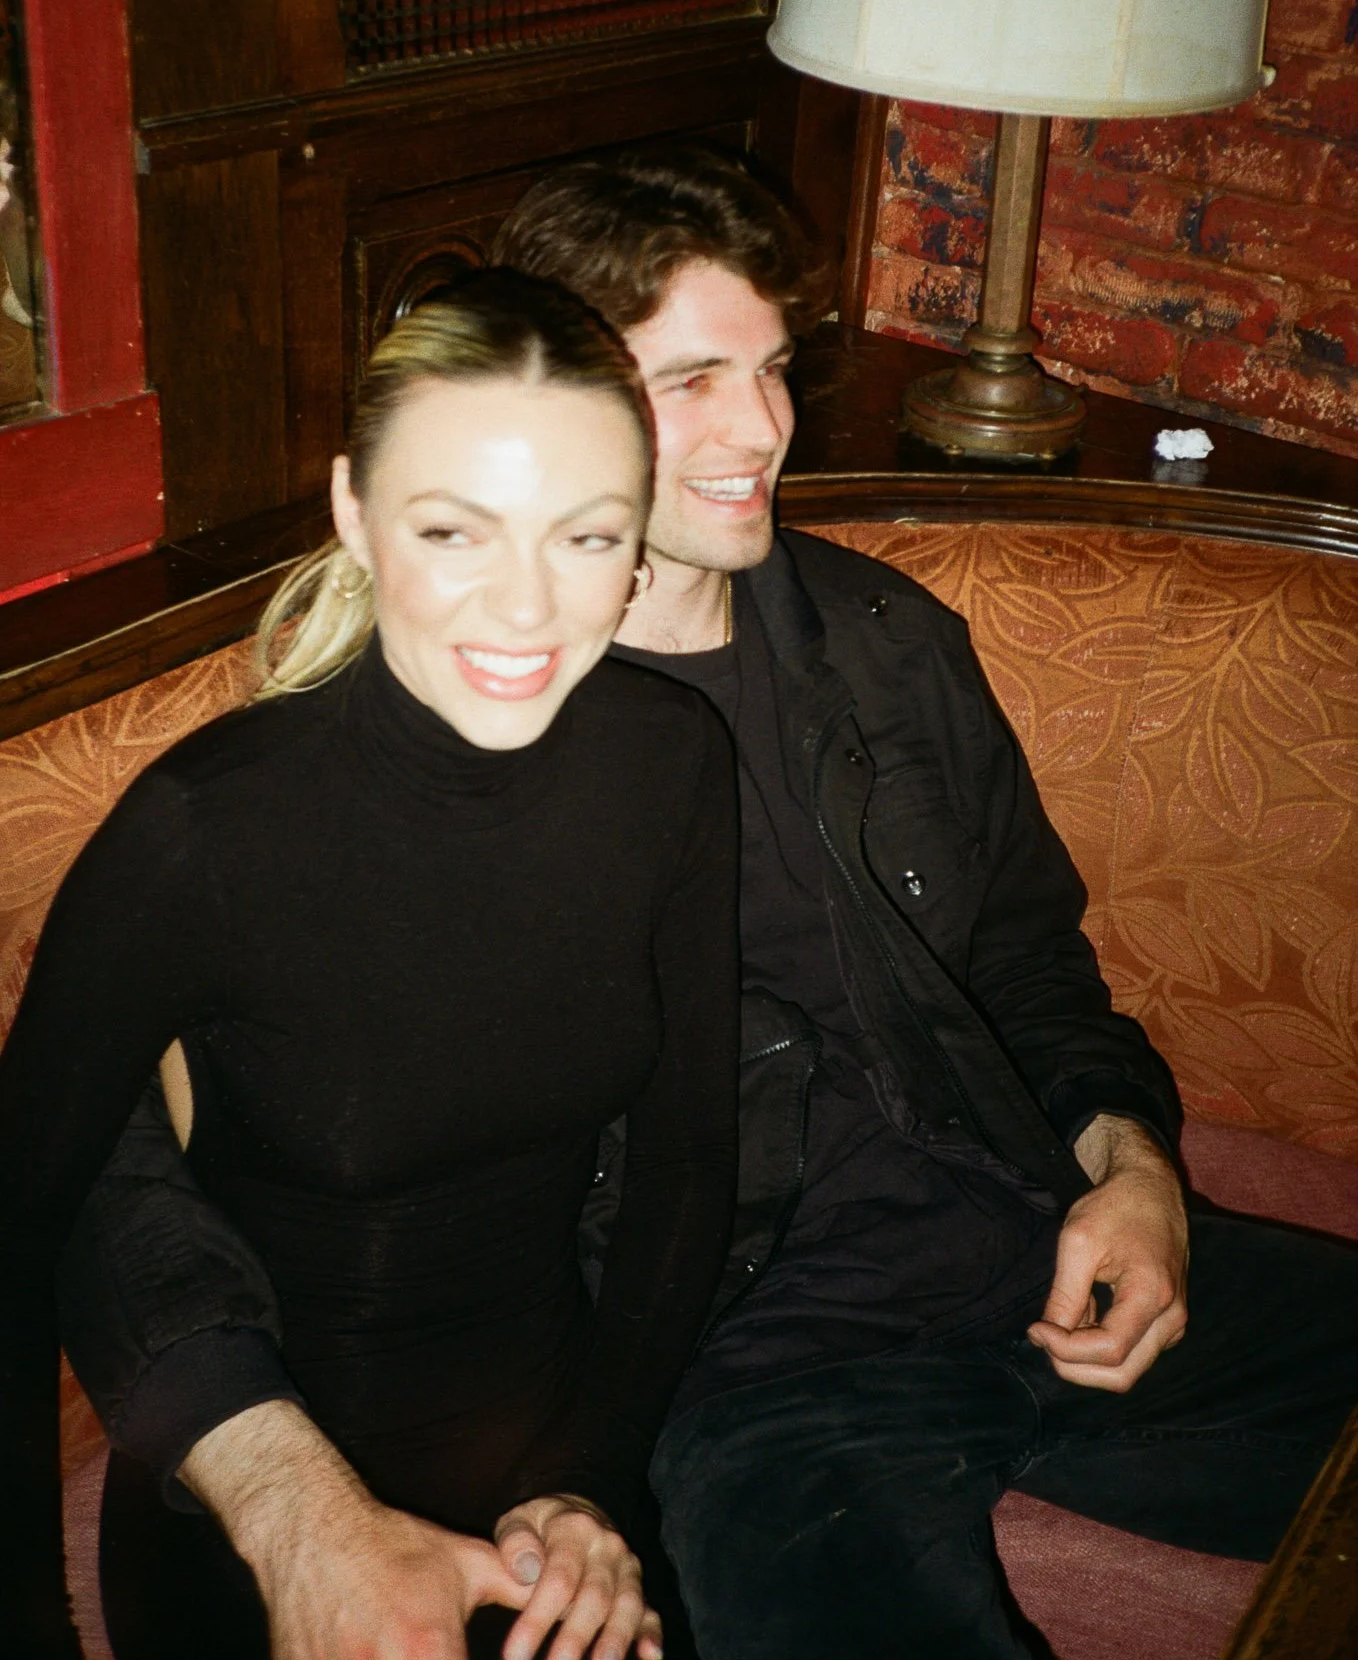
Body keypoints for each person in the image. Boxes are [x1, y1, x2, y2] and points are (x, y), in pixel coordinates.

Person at [57, 147, 1358, 1660]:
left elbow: (1023, 960)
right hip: (749, 1366)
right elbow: (119, 1162)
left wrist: (1130, 1169)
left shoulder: (886, 644)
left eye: (774, 369)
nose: (763, 430)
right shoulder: (455, 730)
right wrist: (297, 1486)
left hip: (1022, 1233)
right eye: (691, 382)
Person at [0, 272, 742, 1660]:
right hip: (262, 1508)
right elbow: (20, 1217)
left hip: (562, 1477)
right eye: (454, 530)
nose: (526, 606)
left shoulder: (672, 762)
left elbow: (688, 1165)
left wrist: (591, 1486)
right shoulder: (202, 834)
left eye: (586, 535)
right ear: (354, 512)